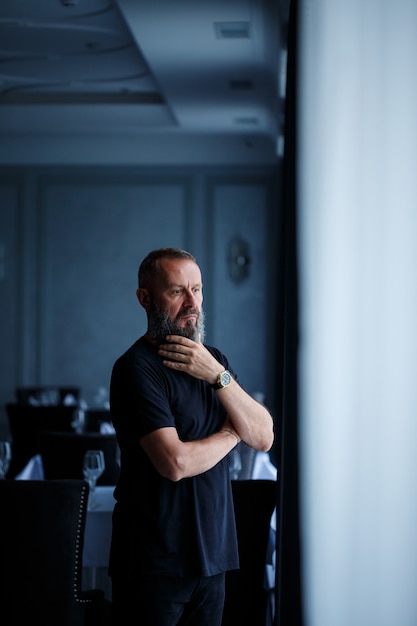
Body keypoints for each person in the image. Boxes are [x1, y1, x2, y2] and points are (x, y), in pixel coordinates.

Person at [109, 247, 274, 626]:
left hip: (213, 558)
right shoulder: (135, 369)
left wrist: (218, 375)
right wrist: (233, 434)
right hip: (153, 564)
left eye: (197, 290)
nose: (191, 303)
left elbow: (263, 436)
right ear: (145, 298)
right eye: (177, 291)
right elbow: (176, 463)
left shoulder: (213, 361)